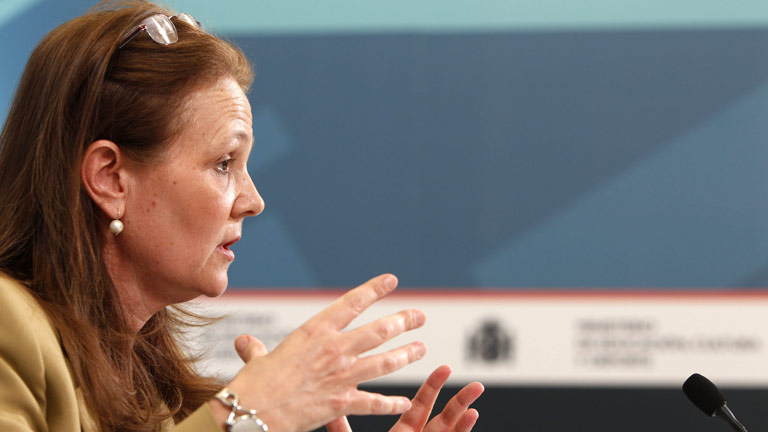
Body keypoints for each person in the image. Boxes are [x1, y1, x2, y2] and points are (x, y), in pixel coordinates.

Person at [0, 1, 484, 431]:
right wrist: (249, 414)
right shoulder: (8, 322)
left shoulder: (153, 388)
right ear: (110, 178)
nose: (253, 201)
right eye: (224, 163)